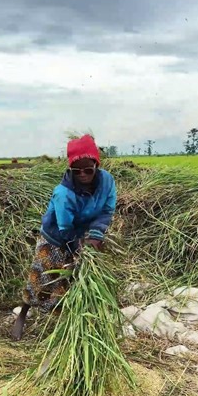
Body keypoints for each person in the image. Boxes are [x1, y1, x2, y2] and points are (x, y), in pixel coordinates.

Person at [11, 134, 117, 341]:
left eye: (89, 169)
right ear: (70, 170)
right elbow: (65, 227)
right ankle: (23, 313)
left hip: (84, 233)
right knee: (41, 278)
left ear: (97, 164)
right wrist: (78, 246)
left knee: (67, 282)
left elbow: (106, 210)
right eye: (77, 171)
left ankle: (61, 325)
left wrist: (95, 234)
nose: (84, 174)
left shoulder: (107, 181)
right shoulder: (63, 193)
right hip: (55, 236)